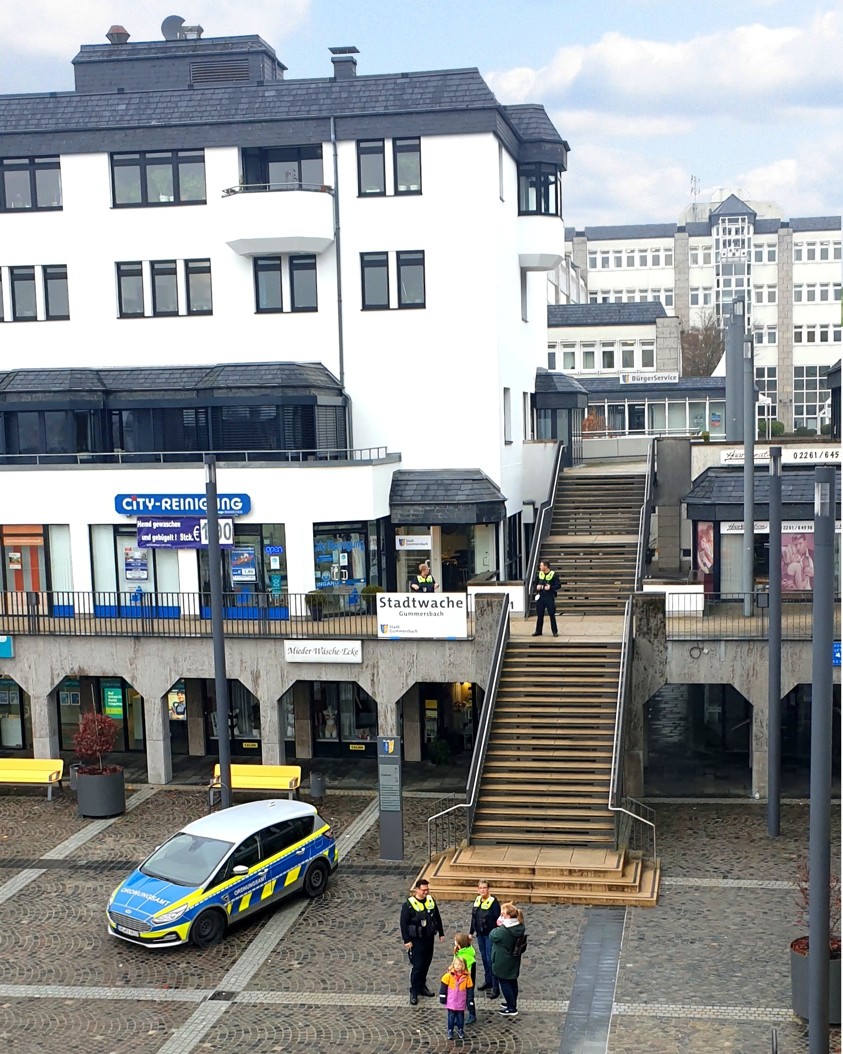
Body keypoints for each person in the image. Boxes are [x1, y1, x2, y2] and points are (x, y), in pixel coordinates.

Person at [400, 877, 445, 1004]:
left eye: (427, 890)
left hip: (429, 938)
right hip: (416, 940)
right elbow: (403, 923)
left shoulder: (430, 900)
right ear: (417, 890)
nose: (426, 892)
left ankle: (422, 986)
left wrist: (441, 932)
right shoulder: (408, 905)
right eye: (423, 890)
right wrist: (406, 940)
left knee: (426, 964)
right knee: (418, 966)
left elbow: (437, 916)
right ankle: (414, 990)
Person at [490, 902, 526, 1017]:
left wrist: (499, 924)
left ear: (508, 916)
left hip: (503, 960)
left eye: (503, 914)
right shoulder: (519, 925)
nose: (501, 915)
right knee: (512, 980)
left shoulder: (504, 930)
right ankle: (512, 1002)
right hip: (513, 959)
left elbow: (492, 935)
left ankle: (511, 1007)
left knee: (504, 982)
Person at [469, 879, 501, 999]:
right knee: (483, 958)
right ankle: (488, 981)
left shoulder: (493, 902)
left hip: (490, 934)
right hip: (480, 934)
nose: (483, 890)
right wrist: (471, 932)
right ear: (478, 889)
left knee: (490, 959)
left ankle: (495, 986)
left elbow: (498, 920)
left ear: (488, 889)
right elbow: (474, 917)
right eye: (481, 888)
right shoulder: (477, 900)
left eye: (485, 888)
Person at [439, 956, 474, 1040]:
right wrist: (443, 998)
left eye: (459, 964)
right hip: (451, 1001)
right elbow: (443, 988)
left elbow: (470, 991)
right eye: (456, 964)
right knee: (450, 1016)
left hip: (461, 1002)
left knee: (460, 1017)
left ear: (463, 966)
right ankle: (450, 1030)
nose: (457, 966)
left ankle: (460, 1029)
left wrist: (469, 1001)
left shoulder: (467, 977)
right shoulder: (448, 976)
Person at [453, 933, 477, 1024]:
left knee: (468, 998)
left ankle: (472, 1014)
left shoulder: (466, 956)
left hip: (466, 981)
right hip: (459, 980)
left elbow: (469, 971)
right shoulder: (459, 952)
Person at [532, 560, 559, 637]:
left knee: (551, 614)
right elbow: (534, 583)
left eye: (541, 565)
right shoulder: (539, 574)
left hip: (549, 596)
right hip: (540, 596)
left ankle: (554, 631)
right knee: (540, 614)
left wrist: (550, 587)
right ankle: (538, 631)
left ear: (546, 566)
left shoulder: (553, 574)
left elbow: (558, 585)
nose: (540, 567)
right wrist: (536, 587)